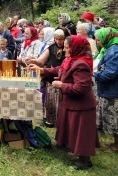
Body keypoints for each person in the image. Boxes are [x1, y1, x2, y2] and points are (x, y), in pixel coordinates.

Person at [29, 35, 99, 170]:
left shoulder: (81, 64)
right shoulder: (70, 60)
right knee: (74, 131)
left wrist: (62, 85)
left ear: (76, 48)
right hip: (71, 103)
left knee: (82, 133)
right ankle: (78, 155)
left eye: (68, 48)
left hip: (81, 106)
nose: (65, 50)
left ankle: (85, 161)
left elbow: (82, 88)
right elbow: (59, 70)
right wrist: (42, 70)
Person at [94, 27, 118, 152]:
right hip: (109, 89)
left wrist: (95, 74)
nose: (98, 42)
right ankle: (115, 142)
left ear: (106, 38)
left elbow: (110, 73)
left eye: (98, 40)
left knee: (115, 119)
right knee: (113, 118)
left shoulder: (114, 51)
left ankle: (117, 145)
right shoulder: (108, 49)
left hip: (113, 90)